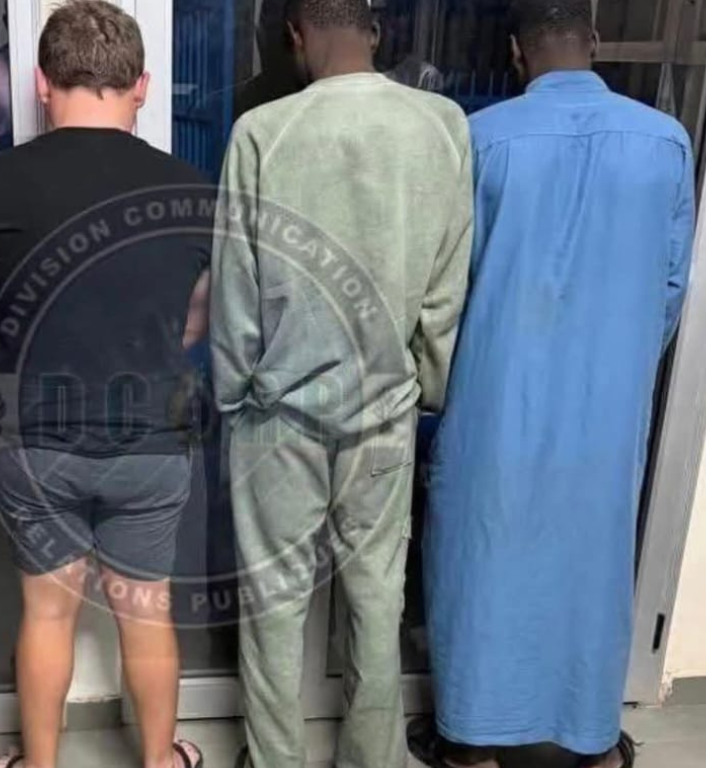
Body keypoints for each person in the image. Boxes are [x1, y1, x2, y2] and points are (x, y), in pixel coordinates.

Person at [411, 1, 696, 767]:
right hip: (607, 403)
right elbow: (672, 285)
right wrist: (621, 358)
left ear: (515, 52)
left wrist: (441, 381)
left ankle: (471, 742)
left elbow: (444, 286)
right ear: (594, 43)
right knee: (591, 563)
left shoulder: (481, 138)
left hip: (495, 394)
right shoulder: (664, 141)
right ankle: (590, 740)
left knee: (482, 556)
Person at [210, 0, 474, 765]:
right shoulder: (442, 126)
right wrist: (423, 382)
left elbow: (235, 289)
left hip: (277, 412)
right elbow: (446, 286)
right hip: (385, 408)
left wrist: (234, 393)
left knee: (273, 605)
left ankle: (275, 759)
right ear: (376, 33)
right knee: (378, 597)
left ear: (296, 37)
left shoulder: (260, 132)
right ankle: (373, 757)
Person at [0, 2, 209, 767]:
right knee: (147, 612)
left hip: (37, 441)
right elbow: (193, 323)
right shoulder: (190, 191)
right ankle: (162, 761)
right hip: (150, 440)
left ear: (40, 83)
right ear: (142, 86)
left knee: (46, 615)